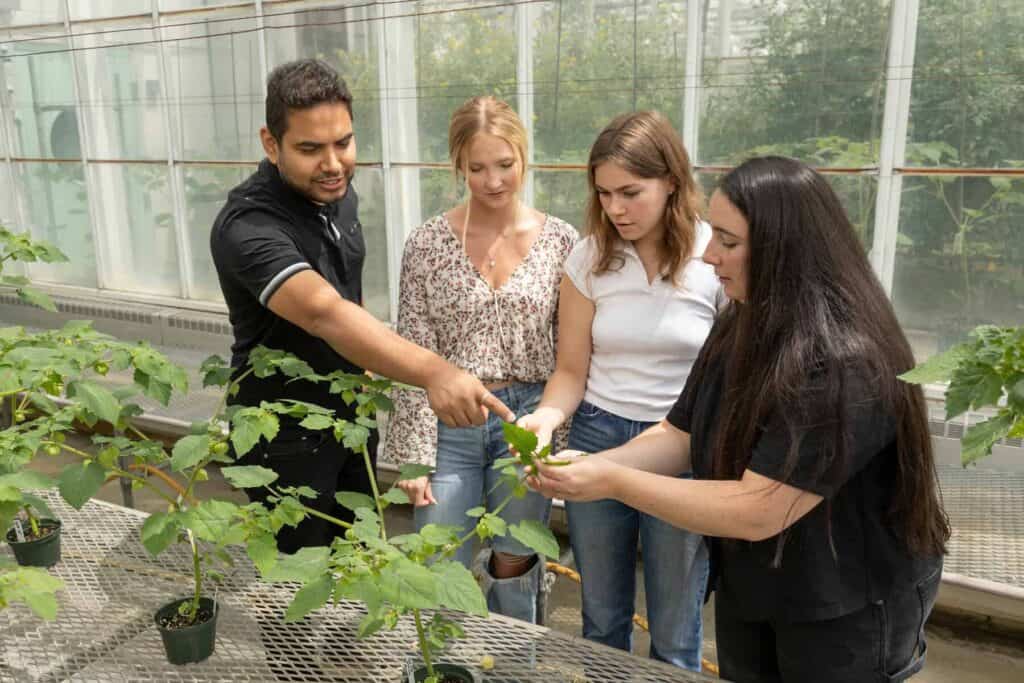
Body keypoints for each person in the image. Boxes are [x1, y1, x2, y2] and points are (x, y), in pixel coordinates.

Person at [530, 156, 951, 683]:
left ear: (786, 249)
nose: (708, 256)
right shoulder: (744, 321)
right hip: (757, 586)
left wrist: (610, 479)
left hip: (844, 607)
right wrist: (587, 466)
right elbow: (679, 435)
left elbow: (761, 507)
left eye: (728, 242)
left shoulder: (845, 361)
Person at [210, 60, 513, 554]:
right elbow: (324, 311)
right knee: (300, 573)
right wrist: (435, 372)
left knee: (357, 556)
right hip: (282, 430)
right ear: (271, 143)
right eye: (310, 149)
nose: (333, 163)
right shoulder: (248, 227)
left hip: (348, 415)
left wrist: (367, 370)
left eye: (343, 143)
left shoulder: (337, 197)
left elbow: (348, 289)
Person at [516, 110, 721, 670]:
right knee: (601, 618)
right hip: (599, 437)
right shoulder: (588, 257)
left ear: (672, 181)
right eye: (604, 194)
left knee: (676, 627)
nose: (615, 209)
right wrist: (546, 418)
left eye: (631, 192)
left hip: (681, 446)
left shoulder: (713, 257)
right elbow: (571, 372)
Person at [383, 96, 577, 624]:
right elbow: (413, 350)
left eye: (505, 165)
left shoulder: (562, 242)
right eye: (477, 168)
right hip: (451, 422)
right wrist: (414, 457)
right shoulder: (426, 244)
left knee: (515, 564)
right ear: (458, 166)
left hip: (525, 421)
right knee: (438, 562)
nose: (493, 180)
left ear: (523, 157)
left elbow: (571, 355)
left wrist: (557, 444)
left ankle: (515, 669)